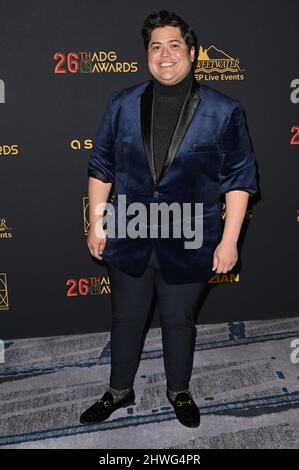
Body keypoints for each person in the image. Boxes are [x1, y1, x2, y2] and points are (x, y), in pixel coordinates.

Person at [80, 9, 257, 428]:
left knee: (178, 320)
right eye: (155, 46)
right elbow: (101, 165)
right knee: (126, 318)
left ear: (192, 53)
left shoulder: (224, 110)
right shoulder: (121, 103)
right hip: (130, 231)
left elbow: (239, 180)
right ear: (147, 54)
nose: (164, 55)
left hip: (192, 236)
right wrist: (97, 222)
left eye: (174, 45)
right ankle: (119, 391)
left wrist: (230, 241)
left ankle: (179, 391)